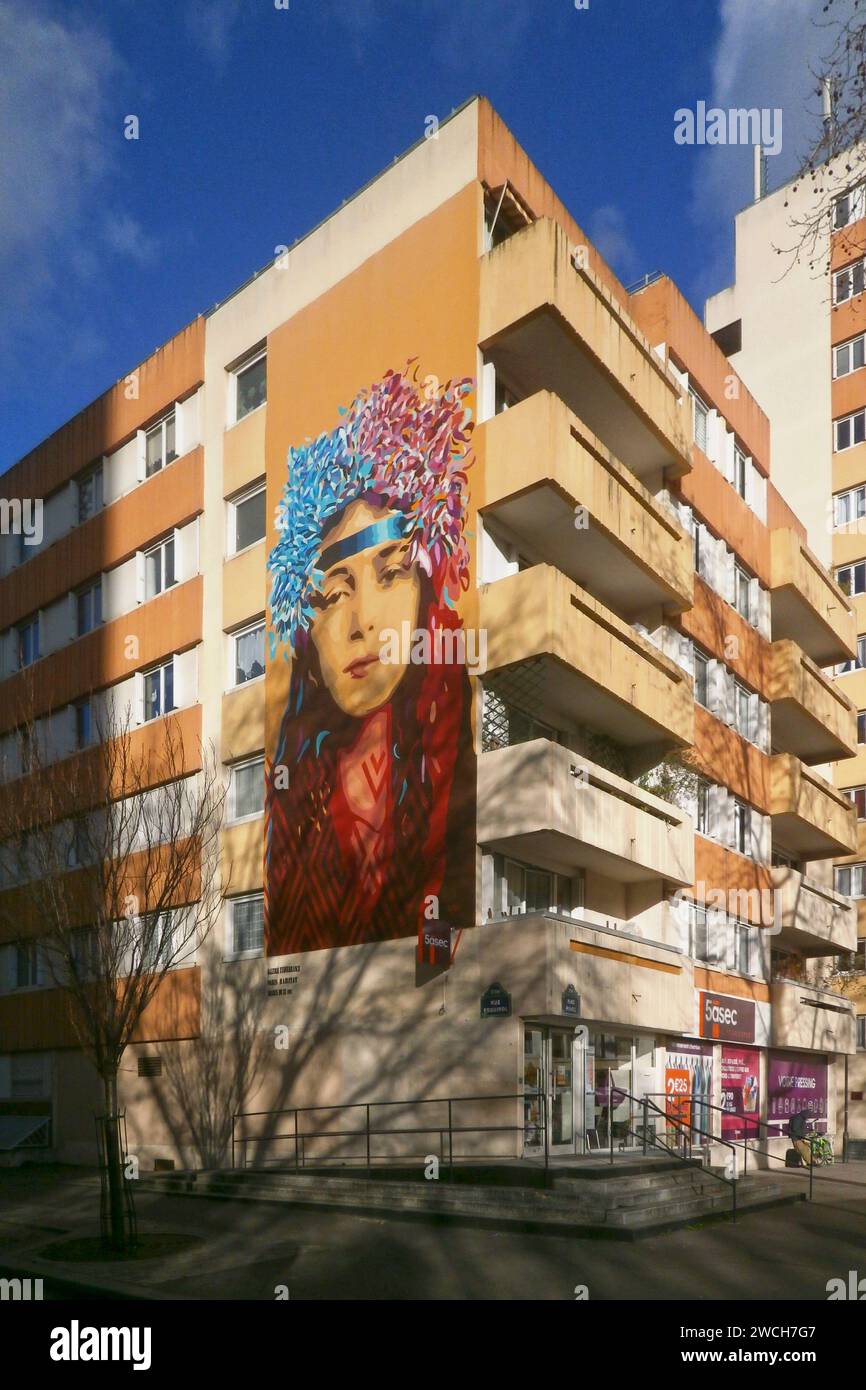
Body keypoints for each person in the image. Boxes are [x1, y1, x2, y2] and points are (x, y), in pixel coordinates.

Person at [265, 365, 476, 955]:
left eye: (392, 574)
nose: (362, 624)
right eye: (333, 595)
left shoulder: (459, 753)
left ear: (427, 592)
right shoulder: (295, 802)